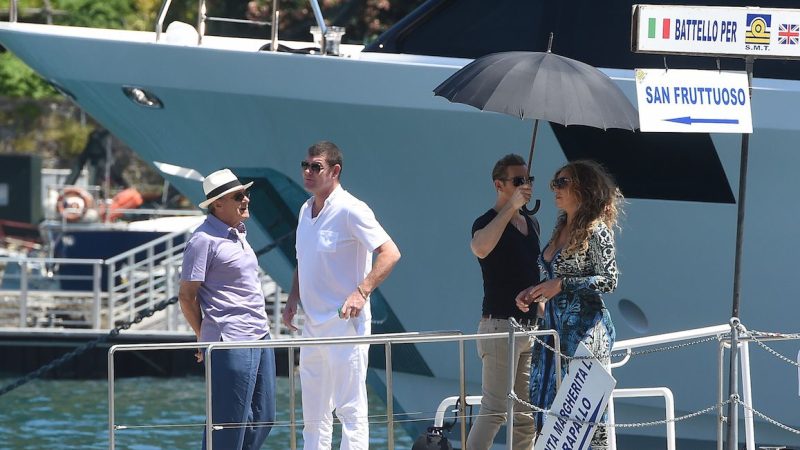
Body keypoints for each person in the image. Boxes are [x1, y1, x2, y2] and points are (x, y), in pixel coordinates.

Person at [282, 141, 401, 450]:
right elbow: (303, 259)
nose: (308, 172)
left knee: (350, 408)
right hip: (312, 326)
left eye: (316, 167)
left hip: (345, 324)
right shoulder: (305, 210)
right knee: (313, 411)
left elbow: (390, 253)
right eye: (305, 165)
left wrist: (361, 292)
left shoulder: (352, 209)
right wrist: (293, 297)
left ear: (334, 171)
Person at [516, 160, 622, 450]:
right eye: (554, 182)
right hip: (551, 332)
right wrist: (533, 292)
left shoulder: (596, 230)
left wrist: (561, 285)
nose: (555, 189)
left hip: (584, 333)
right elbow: (552, 275)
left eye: (562, 183)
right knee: (548, 413)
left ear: (583, 188)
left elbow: (609, 281)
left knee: (583, 421)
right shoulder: (561, 225)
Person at [179, 168, 276, 450]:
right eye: (238, 196)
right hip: (230, 341)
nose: (246, 200)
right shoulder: (202, 240)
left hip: (260, 336)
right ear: (217, 204)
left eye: (246, 194)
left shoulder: (238, 235)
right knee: (228, 424)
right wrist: (202, 336)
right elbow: (187, 296)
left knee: (264, 418)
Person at [468, 154, 541, 450]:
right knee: (495, 410)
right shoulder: (486, 222)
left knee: (525, 416)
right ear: (499, 184)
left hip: (530, 329)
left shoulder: (532, 224)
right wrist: (511, 207)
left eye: (529, 180)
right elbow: (480, 248)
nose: (526, 186)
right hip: (500, 326)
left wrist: (540, 298)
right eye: (518, 181)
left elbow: (534, 269)